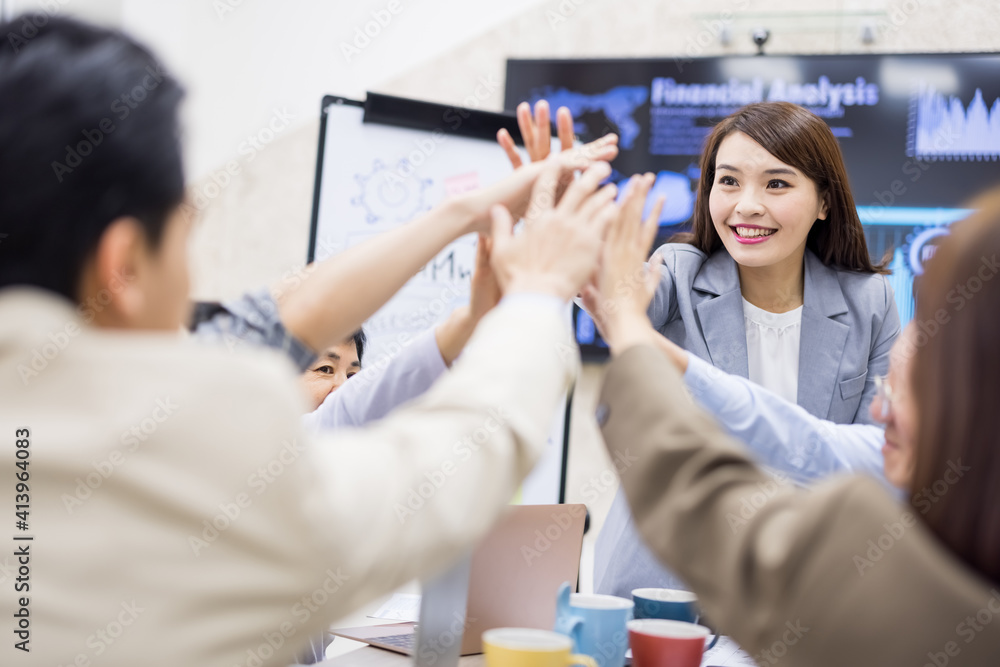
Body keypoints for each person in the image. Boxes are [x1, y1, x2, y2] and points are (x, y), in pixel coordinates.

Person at [0, 15, 622, 667]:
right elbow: (452, 464)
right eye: (184, 235)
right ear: (124, 264)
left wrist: (465, 214)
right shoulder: (184, 444)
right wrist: (540, 291)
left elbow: (269, 319)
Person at [586, 182, 1000, 666]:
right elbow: (799, 436)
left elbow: (702, 494)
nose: (879, 413)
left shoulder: (895, 585)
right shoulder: (680, 268)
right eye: (728, 179)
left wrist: (631, 340)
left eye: (917, 393)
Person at [587, 101, 901, 596]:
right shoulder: (679, 272)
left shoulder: (870, 301)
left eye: (776, 183)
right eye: (728, 181)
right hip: (662, 585)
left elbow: (870, 469)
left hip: (800, 587)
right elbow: (622, 302)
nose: (746, 205)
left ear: (824, 202)